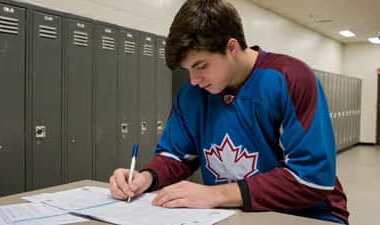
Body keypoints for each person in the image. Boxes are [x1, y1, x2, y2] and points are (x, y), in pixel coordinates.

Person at [110, 0, 349, 224]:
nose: (193, 80)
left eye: (200, 66)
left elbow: (312, 178)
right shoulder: (191, 96)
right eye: (187, 70)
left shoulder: (289, 78)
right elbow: (176, 156)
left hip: (309, 215)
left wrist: (217, 195)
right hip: (234, 213)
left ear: (231, 47)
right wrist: (146, 178)